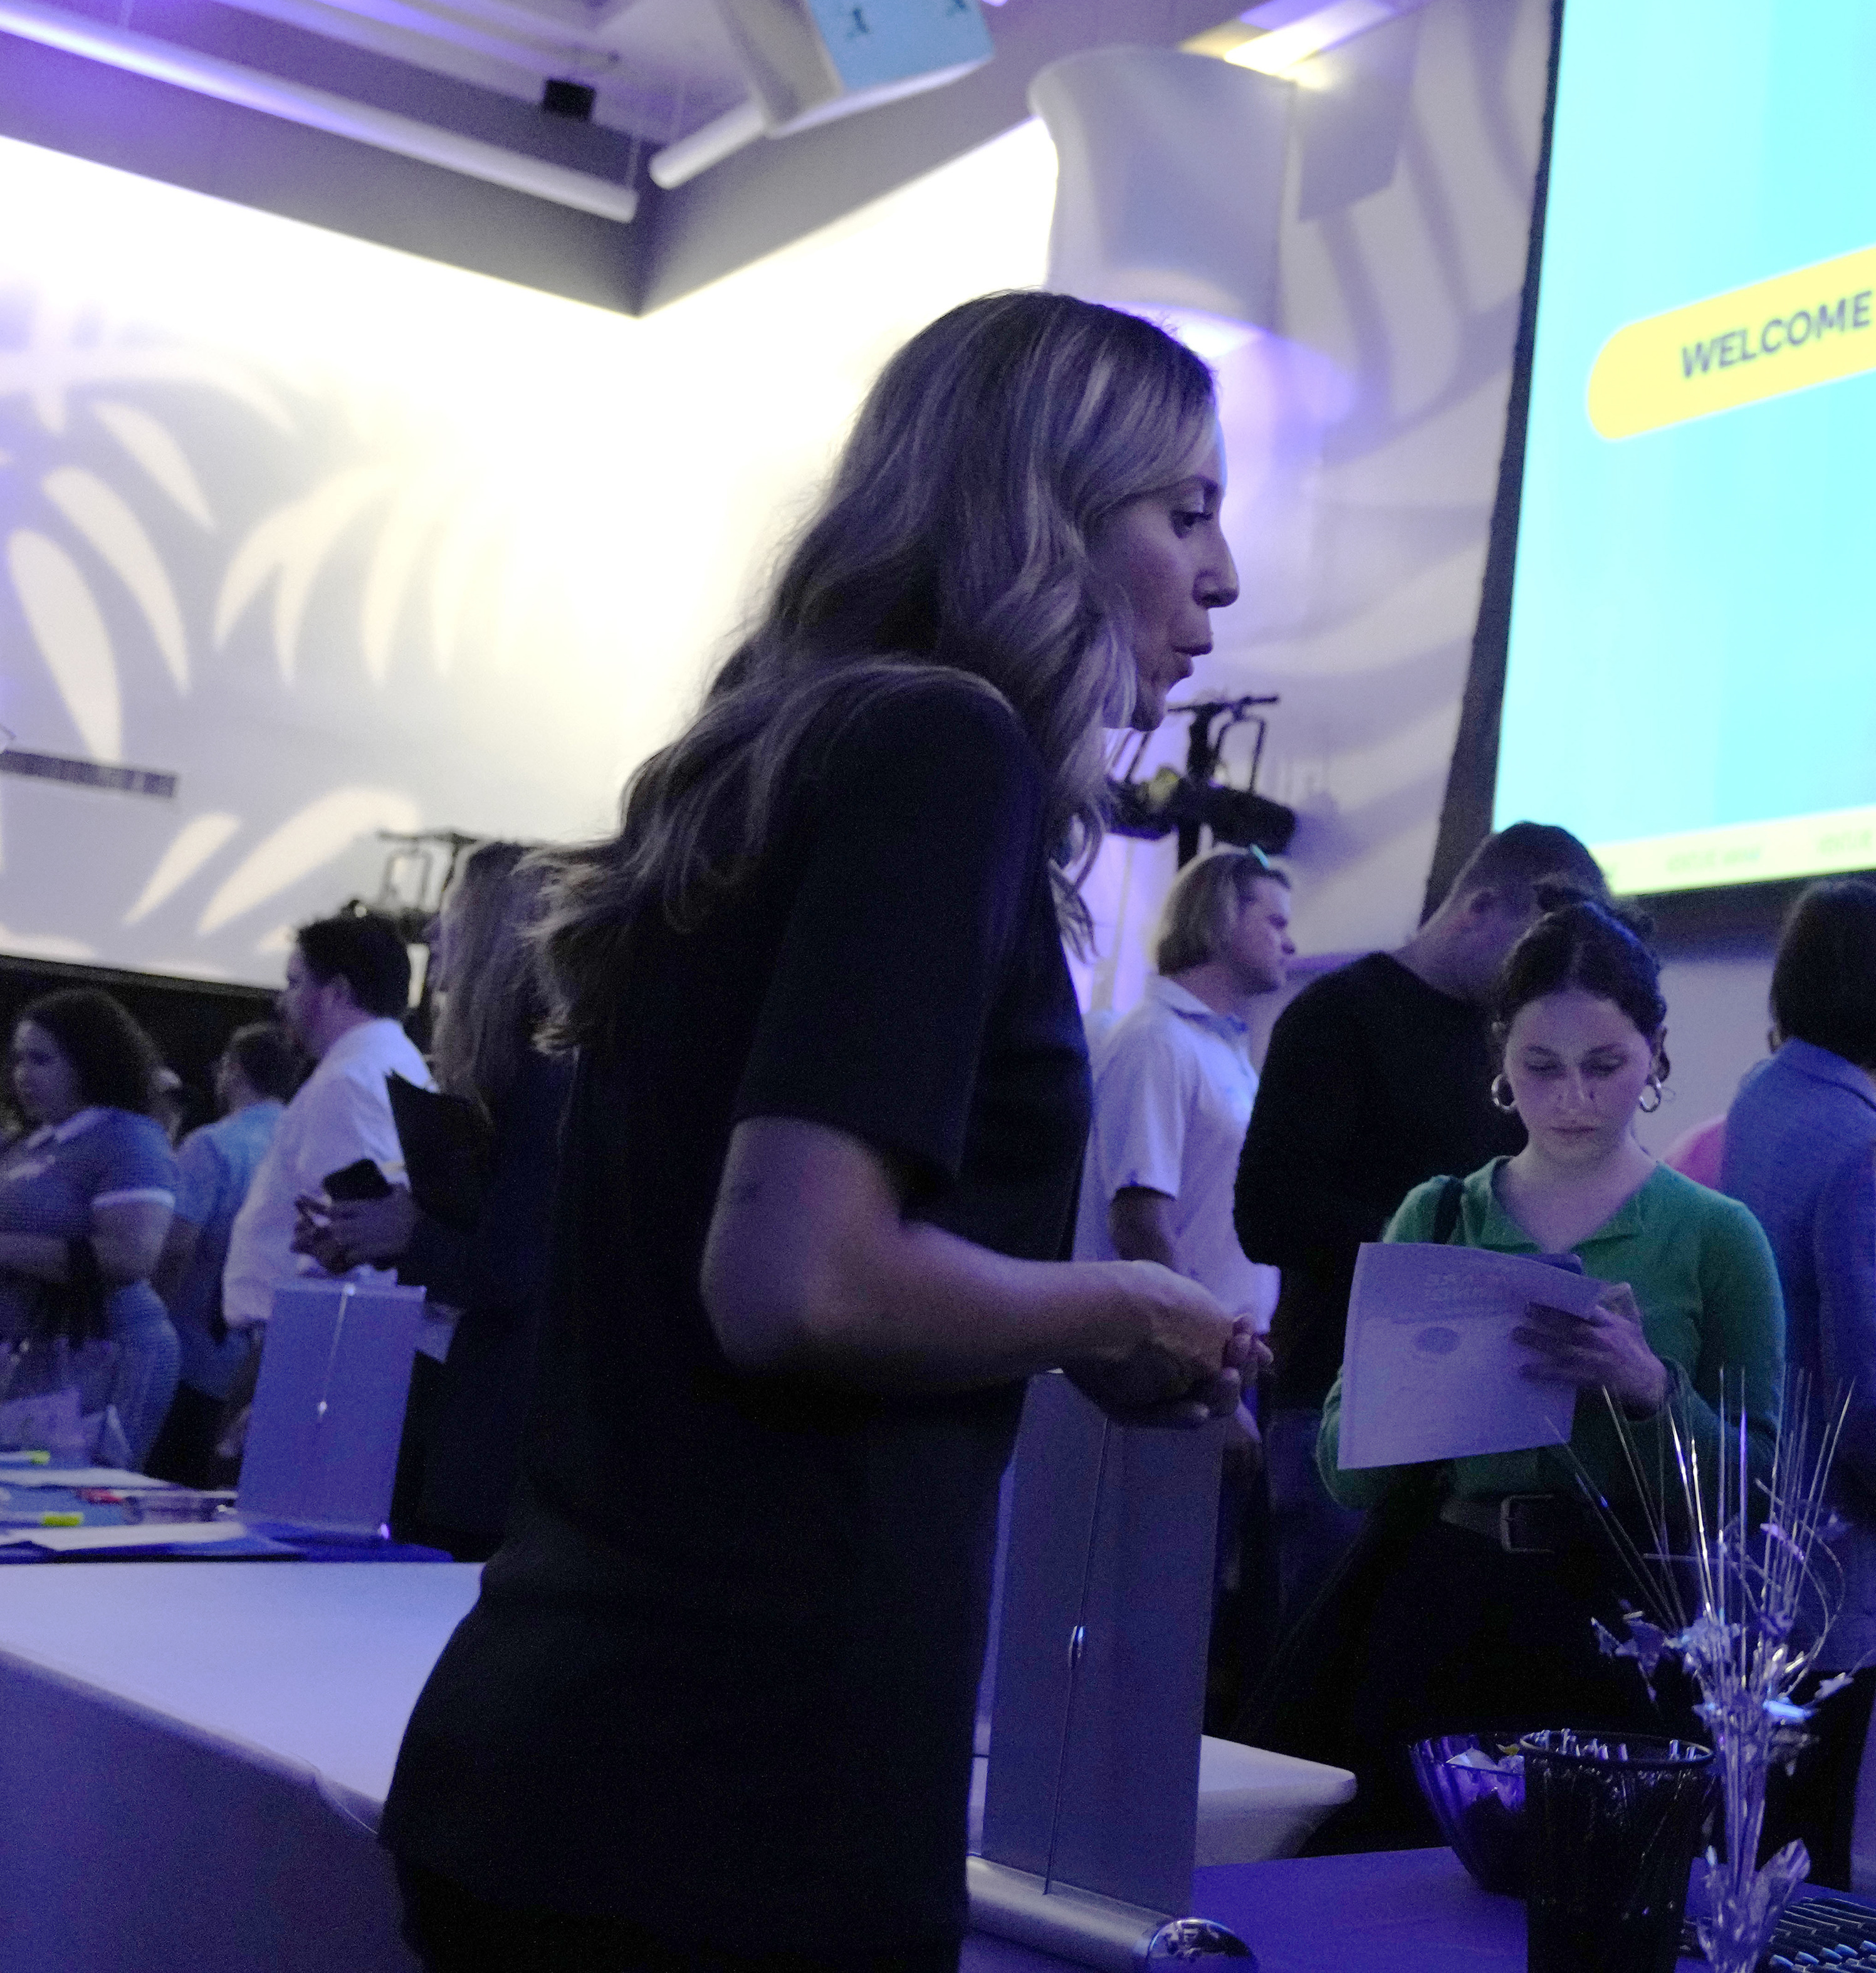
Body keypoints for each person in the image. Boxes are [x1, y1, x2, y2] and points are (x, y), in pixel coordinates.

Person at [384, 291, 1260, 1973]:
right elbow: (797, 1283)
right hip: (738, 1799)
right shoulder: (946, 748)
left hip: (582, 1749)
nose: (1219, 577)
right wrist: (1123, 1308)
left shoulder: (800, 752)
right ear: (1046, 508)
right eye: (1187, 510)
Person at [1294, 897, 1784, 1855]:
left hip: (1630, 1617)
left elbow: (1762, 1492)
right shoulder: (1440, 1216)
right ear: (1500, 1063)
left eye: (1605, 1067)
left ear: (1655, 1054)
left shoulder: (1715, 1236)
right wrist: (1424, 1402)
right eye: (1540, 1068)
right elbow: (1340, 1472)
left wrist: (1650, 1392)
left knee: (1601, 1900)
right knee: (1415, 1892)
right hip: (1447, 1597)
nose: (1572, 1100)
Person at [1235, 819, 1608, 1617]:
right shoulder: (1336, 1017)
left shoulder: (1504, 1046)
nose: (1538, 984)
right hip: (1341, 1408)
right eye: (1530, 953)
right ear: (1476, 910)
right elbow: (1266, 1214)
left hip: (1473, 1426)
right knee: (1326, 1698)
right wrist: (1438, 1253)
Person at [1716, 877, 1876, 1892]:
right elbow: (1872, 1399)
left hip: (1751, 1535)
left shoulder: (1761, 1103)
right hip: (1834, 1568)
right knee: (1817, 1857)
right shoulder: (1865, 1145)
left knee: (1752, 1840)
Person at [298, 842, 575, 1556]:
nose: (431, 931)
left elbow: (511, 1269)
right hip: (471, 1412)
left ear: (496, 928)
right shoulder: (523, 1074)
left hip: (496, 1428)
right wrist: (379, 1230)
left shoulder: (545, 1082)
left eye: (452, 909)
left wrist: (403, 1233)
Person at [1078, 845, 1298, 1723]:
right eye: (1273, 919)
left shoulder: (1226, 1054)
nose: (1291, 939)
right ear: (1216, 918)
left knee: (1198, 1634)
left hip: (1227, 1371)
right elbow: (1142, 1220)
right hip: (1175, 1388)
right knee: (1149, 1634)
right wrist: (1216, 1381)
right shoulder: (1158, 1043)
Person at [220, 913, 427, 1379]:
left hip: (308, 1346)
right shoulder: (385, 1063)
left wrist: (306, 1366)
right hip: (314, 1337)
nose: (283, 1002)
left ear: (336, 992)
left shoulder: (351, 1080)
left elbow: (361, 1247)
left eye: (295, 984)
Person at [0, 988, 184, 1460]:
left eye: (41, 1060)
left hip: (107, 1355)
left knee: (77, 1507)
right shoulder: (31, 1142)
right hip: (34, 1357)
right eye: (18, 1059)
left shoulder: (128, 1137)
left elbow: (132, 1255)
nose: (22, 1075)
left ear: (88, 1062)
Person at [144, 1020, 300, 1484]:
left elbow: (175, 1249)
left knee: (166, 1485)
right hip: (269, 1363)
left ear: (231, 1071)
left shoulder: (212, 1144)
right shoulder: (303, 1143)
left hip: (191, 1356)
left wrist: (152, 1324)